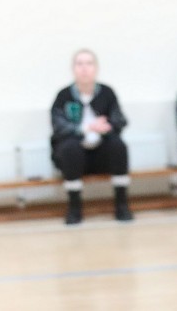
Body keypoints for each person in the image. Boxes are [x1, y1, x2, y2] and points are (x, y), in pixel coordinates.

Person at [50, 49, 133, 225]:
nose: (84, 68)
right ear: (73, 69)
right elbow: (58, 126)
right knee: (69, 148)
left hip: (101, 154)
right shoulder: (63, 96)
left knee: (118, 146)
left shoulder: (107, 93)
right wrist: (85, 128)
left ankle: (122, 205)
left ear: (96, 68)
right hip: (76, 156)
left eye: (89, 63)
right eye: (79, 64)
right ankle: (74, 208)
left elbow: (119, 119)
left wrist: (106, 126)